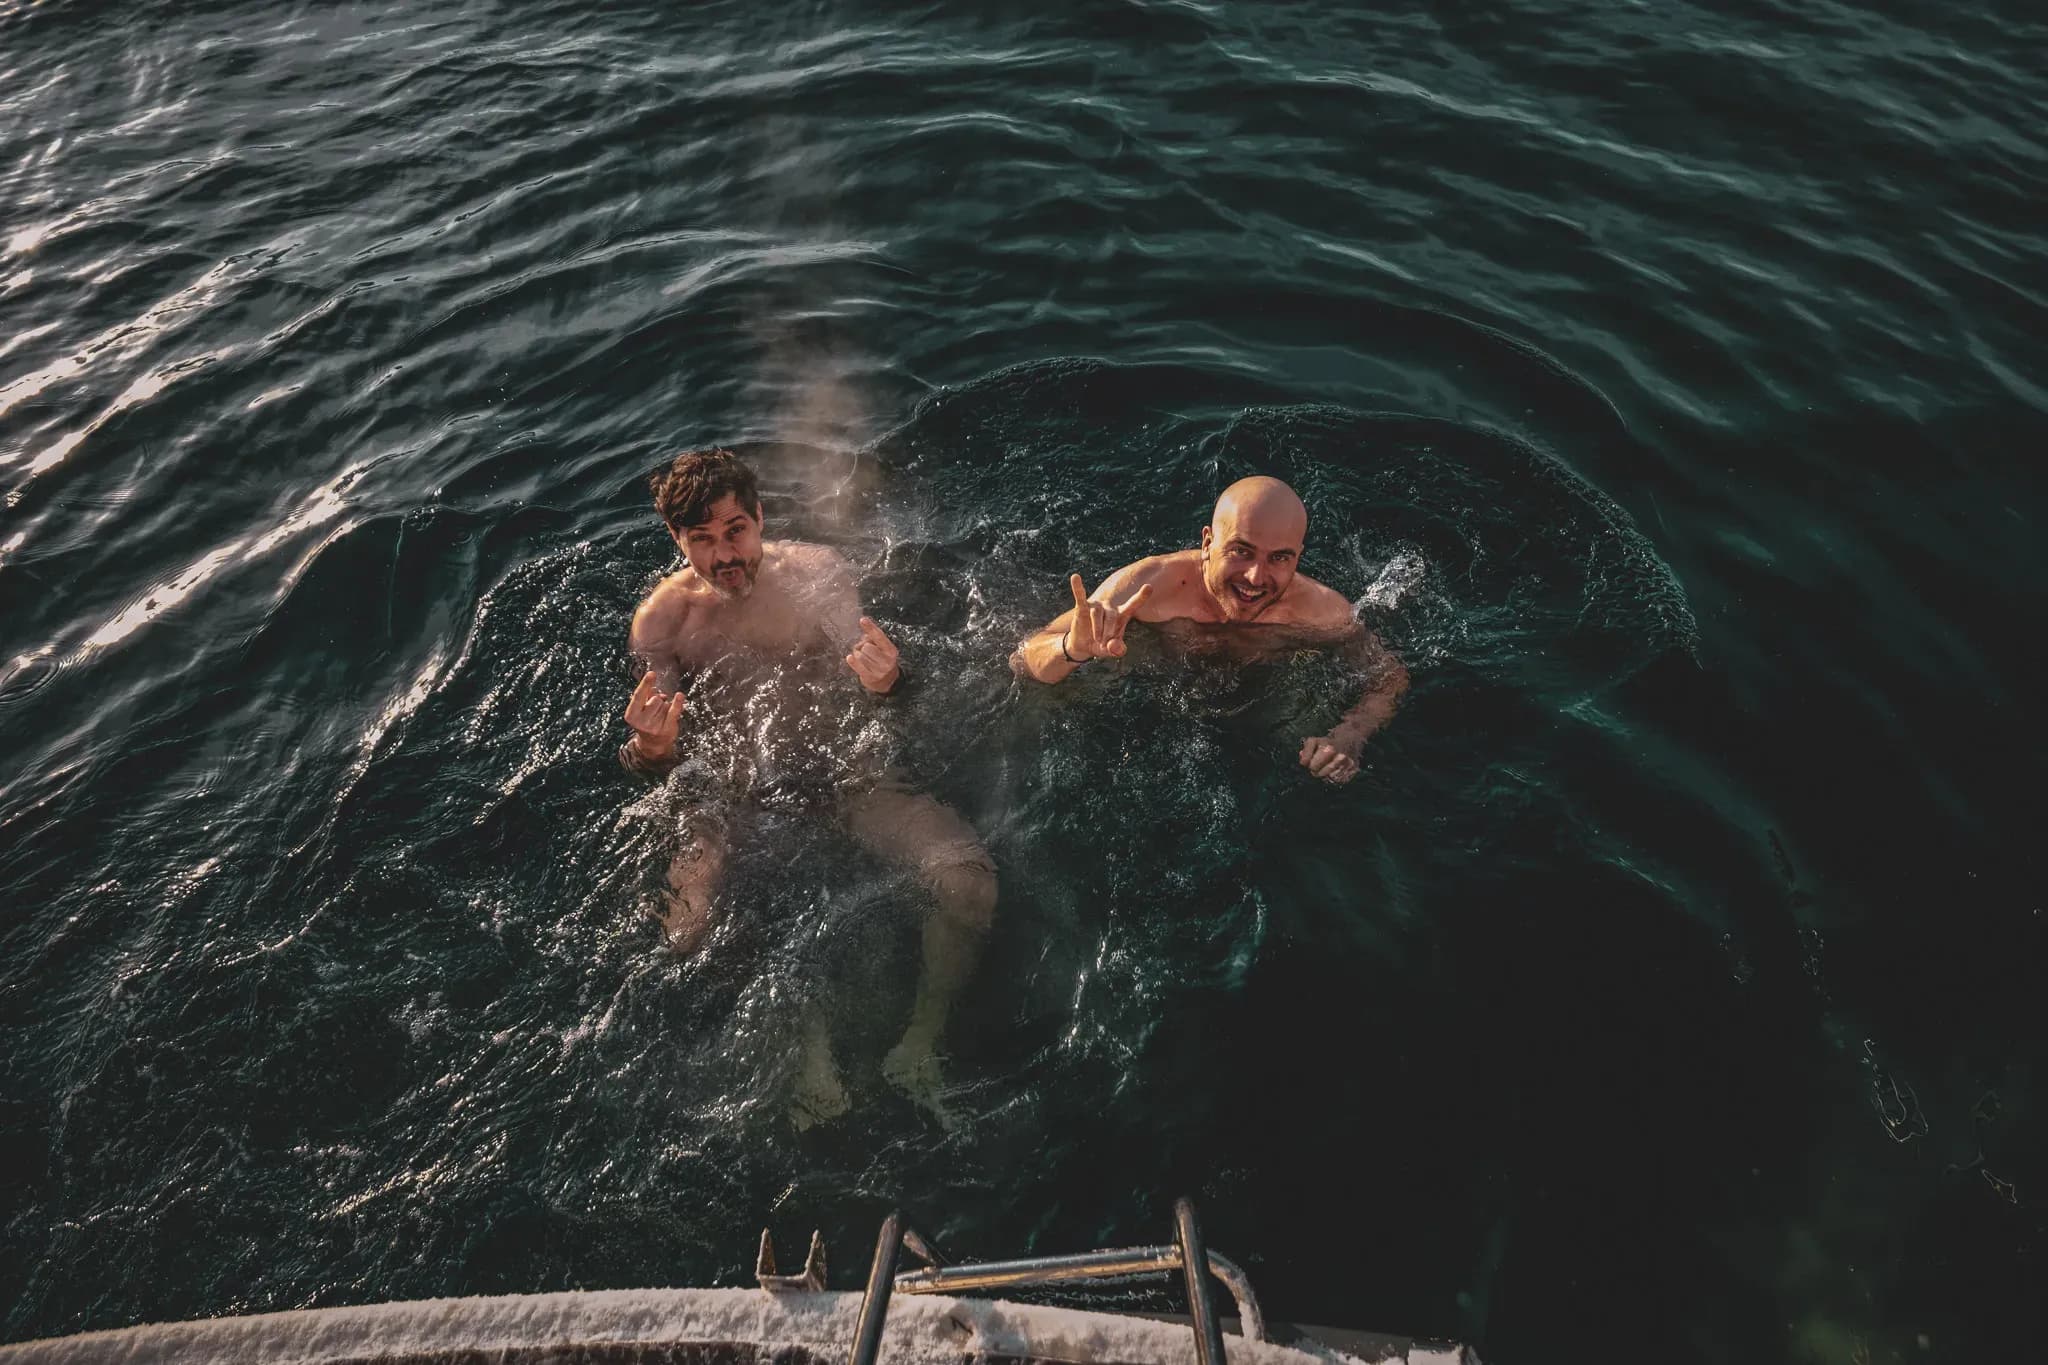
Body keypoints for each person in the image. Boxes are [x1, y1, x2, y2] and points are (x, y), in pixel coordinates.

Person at [620, 448, 996, 1125]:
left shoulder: (817, 576)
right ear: (677, 542)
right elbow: (659, 757)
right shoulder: (661, 623)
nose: (724, 553)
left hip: (842, 774)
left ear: (760, 517)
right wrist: (649, 746)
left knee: (968, 879)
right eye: (701, 540)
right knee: (685, 927)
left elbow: (881, 690)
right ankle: (810, 1052)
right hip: (731, 794)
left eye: (735, 530)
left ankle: (920, 1043)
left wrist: (891, 684)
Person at [1011, 476, 1407, 780]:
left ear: (1298, 557)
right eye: (1241, 551)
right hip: (1147, 708)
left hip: (1259, 709)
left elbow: (1388, 679)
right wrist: (1071, 648)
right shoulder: (1149, 586)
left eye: (1279, 558)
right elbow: (1026, 659)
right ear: (1207, 542)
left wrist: (1349, 737)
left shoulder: (1323, 613)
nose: (1255, 577)